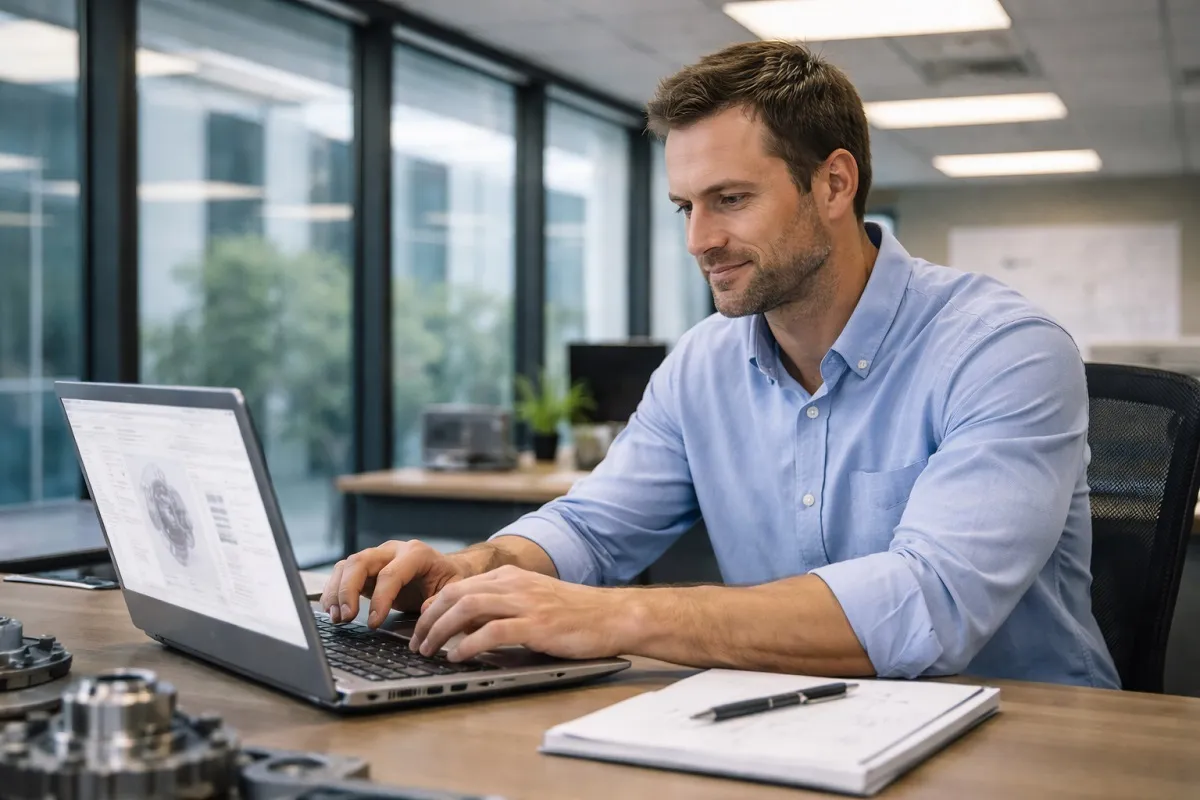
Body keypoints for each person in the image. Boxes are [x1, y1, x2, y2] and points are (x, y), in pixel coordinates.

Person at [322, 40, 1119, 688]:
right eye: (685, 207)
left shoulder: (1001, 349)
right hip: (794, 722)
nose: (699, 240)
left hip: (1021, 735)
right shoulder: (703, 364)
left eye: (730, 200)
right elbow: (592, 529)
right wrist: (476, 569)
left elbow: (928, 603)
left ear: (833, 184)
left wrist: (617, 617)